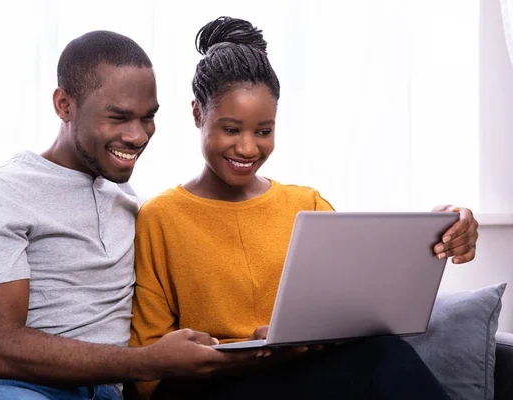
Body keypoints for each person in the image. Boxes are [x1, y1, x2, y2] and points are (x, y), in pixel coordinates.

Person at [129, 16, 479, 399]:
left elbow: (353, 314)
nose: (248, 148)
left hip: (299, 377)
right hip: (211, 387)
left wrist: (446, 230)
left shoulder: (307, 205)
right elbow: (148, 374)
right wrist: (242, 356)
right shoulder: (159, 217)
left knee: (385, 353)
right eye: (231, 129)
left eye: (263, 131)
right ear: (198, 114)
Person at [0, 30, 266, 400]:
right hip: (6, 388)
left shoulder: (134, 205)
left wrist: (253, 344)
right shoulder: (1, 194)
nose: (138, 136)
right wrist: (146, 361)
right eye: (119, 117)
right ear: (64, 105)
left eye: (148, 118)